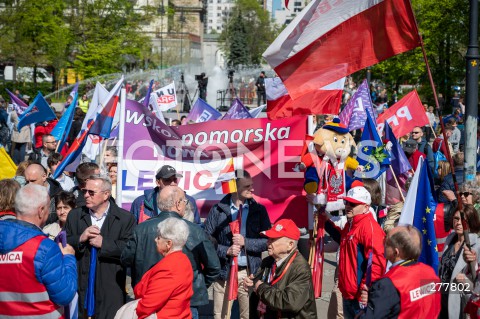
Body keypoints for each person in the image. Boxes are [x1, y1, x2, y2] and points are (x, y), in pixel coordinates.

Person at [122, 185, 220, 319]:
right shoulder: (195, 231)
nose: (186, 205)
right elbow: (213, 266)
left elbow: (126, 259)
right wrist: (192, 286)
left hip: (151, 300)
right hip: (175, 304)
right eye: (185, 202)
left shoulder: (141, 229)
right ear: (178, 204)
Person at [0, 184, 77, 317]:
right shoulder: (44, 248)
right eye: (48, 209)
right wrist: (69, 258)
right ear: (41, 210)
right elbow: (65, 295)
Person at [65, 174, 136, 319]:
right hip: (81, 284)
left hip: (110, 287)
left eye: (91, 192)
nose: (86, 195)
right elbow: (62, 242)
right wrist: (81, 237)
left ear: (106, 195)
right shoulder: (75, 215)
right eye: (84, 191)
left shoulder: (125, 218)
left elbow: (130, 250)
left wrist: (105, 244)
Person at [204, 169, 271, 319]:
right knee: (221, 315)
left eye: (252, 185)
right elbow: (207, 239)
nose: (252, 189)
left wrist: (245, 242)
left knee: (248, 315)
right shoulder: (217, 210)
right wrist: (225, 250)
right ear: (235, 187)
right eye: (247, 186)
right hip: (224, 273)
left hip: (248, 273)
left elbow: (268, 241)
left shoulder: (259, 210)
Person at [324, 182, 386, 319]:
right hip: (348, 294)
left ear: (366, 207)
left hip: (360, 298)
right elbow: (341, 237)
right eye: (347, 203)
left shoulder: (369, 228)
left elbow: (376, 262)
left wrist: (367, 288)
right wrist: (325, 218)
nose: (348, 207)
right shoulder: (351, 224)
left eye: (353, 204)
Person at [359, 225, 441, 318]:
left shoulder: (388, 283)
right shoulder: (430, 273)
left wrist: (367, 307)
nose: (383, 244)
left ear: (396, 252)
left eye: (386, 242)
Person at [243, 219, 317, 319]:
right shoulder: (267, 262)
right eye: (268, 238)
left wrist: (260, 288)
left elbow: (289, 302)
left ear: (290, 245)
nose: (268, 242)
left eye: (273, 239)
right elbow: (260, 284)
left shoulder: (300, 268)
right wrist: (253, 284)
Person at [133, 217, 193, 318]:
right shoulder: (182, 259)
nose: (155, 239)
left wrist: (134, 311)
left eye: (159, 237)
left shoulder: (169, 268)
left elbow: (148, 305)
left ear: (169, 243)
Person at [439, 205, 480, 318]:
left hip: (460, 302)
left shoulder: (477, 246)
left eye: (463, 220)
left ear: (471, 222)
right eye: (456, 219)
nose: (458, 223)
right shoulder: (450, 239)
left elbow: (477, 284)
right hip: (442, 299)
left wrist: (466, 281)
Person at [130, 165, 201, 224]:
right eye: (167, 180)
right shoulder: (140, 202)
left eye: (175, 179)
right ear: (158, 182)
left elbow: (196, 227)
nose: (172, 183)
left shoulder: (189, 201)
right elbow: (132, 230)